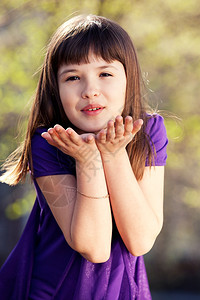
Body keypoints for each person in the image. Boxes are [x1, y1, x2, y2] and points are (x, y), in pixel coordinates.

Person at [0, 14, 168, 300]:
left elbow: (139, 241)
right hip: (55, 290)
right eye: (73, 77)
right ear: (55, 88)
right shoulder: (49, 142)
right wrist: (88, 160)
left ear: (128, 79)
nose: (90, 91)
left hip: (123, 290)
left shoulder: (148, 131)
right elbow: (94, 247)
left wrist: (113, 155)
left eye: (105, 74)